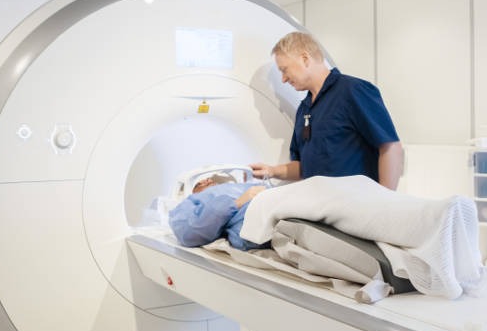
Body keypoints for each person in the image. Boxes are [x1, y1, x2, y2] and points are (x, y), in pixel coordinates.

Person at [251, 32, 403, 189]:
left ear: (305, 59)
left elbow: (391, 147)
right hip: (319, 205)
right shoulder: (304, 109)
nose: (283, 79)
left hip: (354, 204)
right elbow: (304, 167)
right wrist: (271, 171)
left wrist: (385, 200)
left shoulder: (353, 91)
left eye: (284, 70)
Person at [168, 173, 268, 250]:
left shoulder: (237, 187)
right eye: (198, 184)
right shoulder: (191, 203)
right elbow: (190, 230)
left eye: (209, 179)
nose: (207, 180)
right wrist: (237, 203)